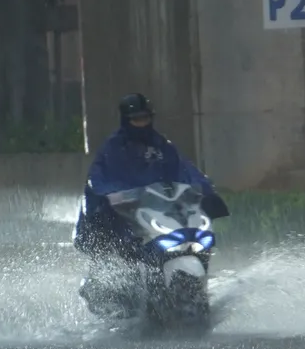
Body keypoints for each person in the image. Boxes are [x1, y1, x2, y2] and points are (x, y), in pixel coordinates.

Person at [76, 93, 227, 276]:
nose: (142, 123)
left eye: (146, 118)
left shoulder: (161, 145)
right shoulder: (113, 148)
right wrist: (109, 196)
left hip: (161, 210)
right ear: (126, 120)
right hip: (126, 216)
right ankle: (132, 283)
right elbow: (98, 180)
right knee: (128, 247)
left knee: (198, 239)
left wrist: (206, 190)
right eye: (137, 120)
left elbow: (185, 169)